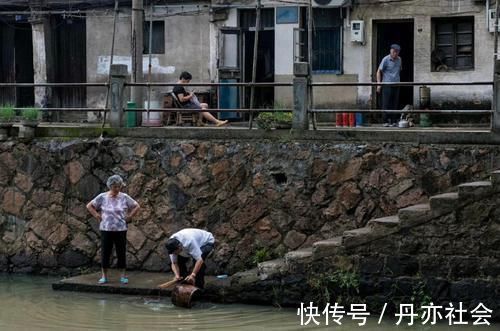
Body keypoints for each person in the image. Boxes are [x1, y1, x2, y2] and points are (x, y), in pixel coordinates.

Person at [86, 175, 140, 285]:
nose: (118, 189)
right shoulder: (103, 197)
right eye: (116, 187)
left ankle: (123, 276)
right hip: (106, 229)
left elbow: (137, 206)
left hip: (120, 229)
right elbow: (89, 206)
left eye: (119, 186)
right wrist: (96, 215)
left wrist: (129, 216)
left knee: (121, 252)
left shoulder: (124, 197)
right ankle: (104, 276)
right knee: (105, 252)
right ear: (111, 186)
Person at [377, 44, 402, 127]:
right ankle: (385, 121)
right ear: (391, 51)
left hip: (396, 84)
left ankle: (393, 120)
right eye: (394, 51)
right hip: (387, 84)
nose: (395, 53)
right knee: (386, 103)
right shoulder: (386, 59)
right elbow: (379, 71)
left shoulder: (399, 59)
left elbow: (399, 70)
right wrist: (379, 84)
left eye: (397, 52)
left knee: (394, 103)